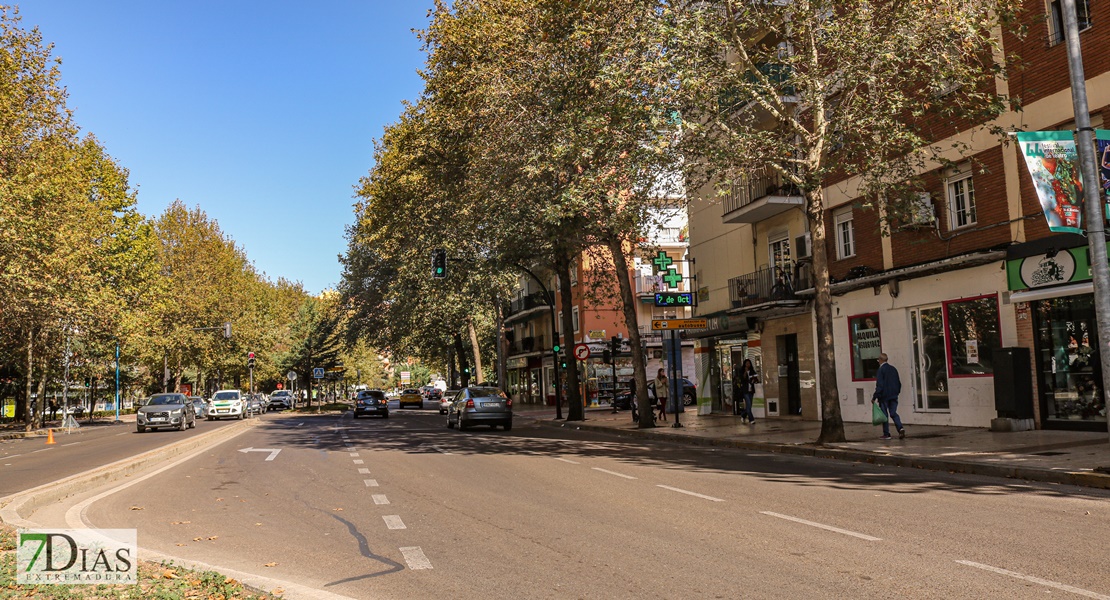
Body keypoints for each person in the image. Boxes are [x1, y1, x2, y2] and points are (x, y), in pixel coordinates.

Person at [872, 353, 905, 440]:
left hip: (884, 396)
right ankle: (900, 428)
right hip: (893, 395)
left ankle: (886, 434)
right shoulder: (893, 369)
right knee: (893, 413)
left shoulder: (881, 370)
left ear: (881, 360)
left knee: (884, 415)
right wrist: (897, 392)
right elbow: (898, 382)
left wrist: (875, 397)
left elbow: (880, 385)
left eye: (878, 360)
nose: (878, 362)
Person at [739, 359, 758, 424]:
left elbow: (756, 379)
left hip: (751, 390)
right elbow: (742, 378)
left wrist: (754, 379)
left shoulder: (752, 371)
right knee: (749, 404)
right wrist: (745, 372)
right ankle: (751, 419)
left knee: (749, 406)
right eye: (746, 363)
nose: (748, 364)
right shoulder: (742, 371)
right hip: (745, 390)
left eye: (749, 363)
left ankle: (743, 415)